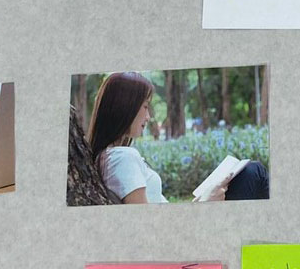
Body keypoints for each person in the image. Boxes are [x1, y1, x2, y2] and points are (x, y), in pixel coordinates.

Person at [85, 72, 267, 204]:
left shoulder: (109, 157)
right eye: (145, 107)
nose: (148, 117)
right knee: (253, 171)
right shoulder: (122, 157)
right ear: (125, 107)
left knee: (249, 170)